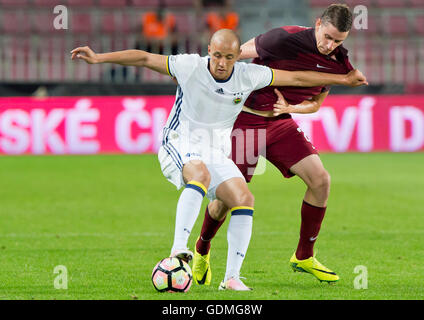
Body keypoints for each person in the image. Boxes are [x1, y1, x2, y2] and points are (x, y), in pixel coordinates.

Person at [70, 28, 367, 290]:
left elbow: (299, 77)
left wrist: (342, 79)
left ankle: (232, 278)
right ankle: (178, 251)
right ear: (208, 52)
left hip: (215, 149)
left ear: (239, 55)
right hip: (180, 140)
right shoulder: (189, 66)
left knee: (243, 198)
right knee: (200, 176)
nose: (222, 63)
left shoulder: (249, 75)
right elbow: (146, 58)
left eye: (229, 57)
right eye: (217, 56)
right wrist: (99, 58)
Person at [193, 4, 359, 286]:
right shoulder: (284, 38)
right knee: (227, 199)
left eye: (338, 41)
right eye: (328, 37)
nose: (330, 45)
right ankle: (202, 248)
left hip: (281, 123)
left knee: (320, 181)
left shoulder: (339, 61)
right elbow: (235, 56)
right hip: (246, 121)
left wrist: (293, 106)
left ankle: (304, 256)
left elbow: (316, 103)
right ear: (318, 23)